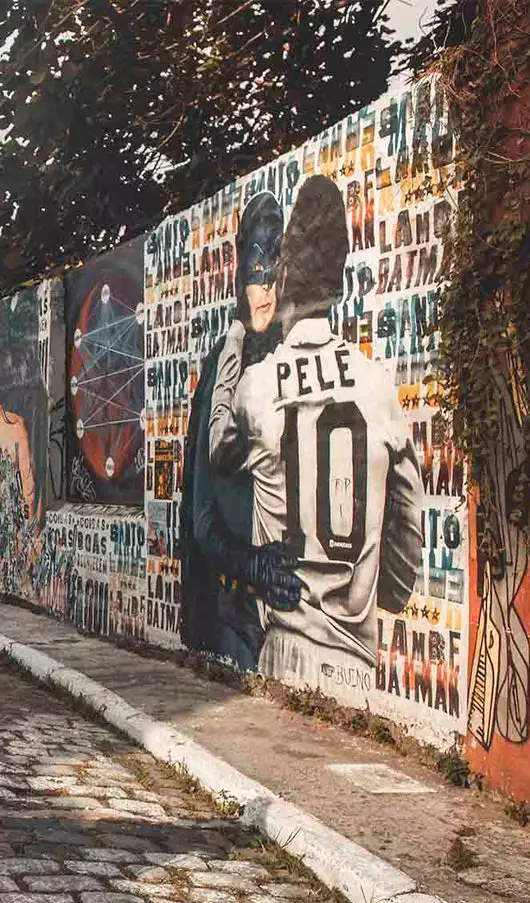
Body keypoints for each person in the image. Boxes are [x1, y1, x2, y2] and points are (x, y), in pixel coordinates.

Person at [211, 175, 423, 698]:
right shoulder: (378, 386)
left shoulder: (258, 387)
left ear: (283, 277)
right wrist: (374, 595)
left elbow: (219, 450)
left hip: (286, 641)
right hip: (358, 661)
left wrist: (234, 347)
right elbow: (408, 536)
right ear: (339, 280)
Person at [179, 191, 303, 668]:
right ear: (239, 280)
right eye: (256, 274)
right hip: (228, 613)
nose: (266, 290)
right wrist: (254, 566)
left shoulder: (291, 357)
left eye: (273, 273)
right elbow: (203, 521)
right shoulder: (223, 369)